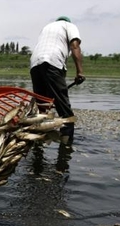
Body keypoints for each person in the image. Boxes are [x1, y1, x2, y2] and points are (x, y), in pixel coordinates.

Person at [29, 15, 85, 146]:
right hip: (52, 61)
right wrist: (80, 72)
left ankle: (37, 143)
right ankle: (66, 147)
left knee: (42, 108)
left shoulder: (47, 28)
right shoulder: (69, 26)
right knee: (65, 111)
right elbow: (75, 46)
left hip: (34, 63)